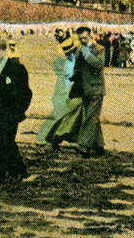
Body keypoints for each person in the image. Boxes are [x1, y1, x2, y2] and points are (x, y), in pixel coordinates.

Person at [44, 26, 106, 157]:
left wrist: (87, 54)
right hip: (83, 89)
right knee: (91, 117)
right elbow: (77, 69)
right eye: (81, 38)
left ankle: (84, 145)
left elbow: (99, 64)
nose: (83, 40)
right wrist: (73, 79)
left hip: (96, 89)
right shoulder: (79, 51)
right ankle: (98, 146)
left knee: (91, 117)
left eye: (85, 37)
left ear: (91, 35)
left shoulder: (100, 49)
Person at [0, 38, 32, 181]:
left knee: (5, 141)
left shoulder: (17, 68)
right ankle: (18, 170)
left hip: (11, 112)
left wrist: (19, 110)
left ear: (5, 51)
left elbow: (25, 92)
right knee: (5, 141)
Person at [37, 33, 79, 143]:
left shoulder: (69, 61)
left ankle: (65, 136)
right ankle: (52, 136)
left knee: (68, 113)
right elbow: (71, 78)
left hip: (69, 89)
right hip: (71, 90)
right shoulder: (72, 61)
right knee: (67, 114)